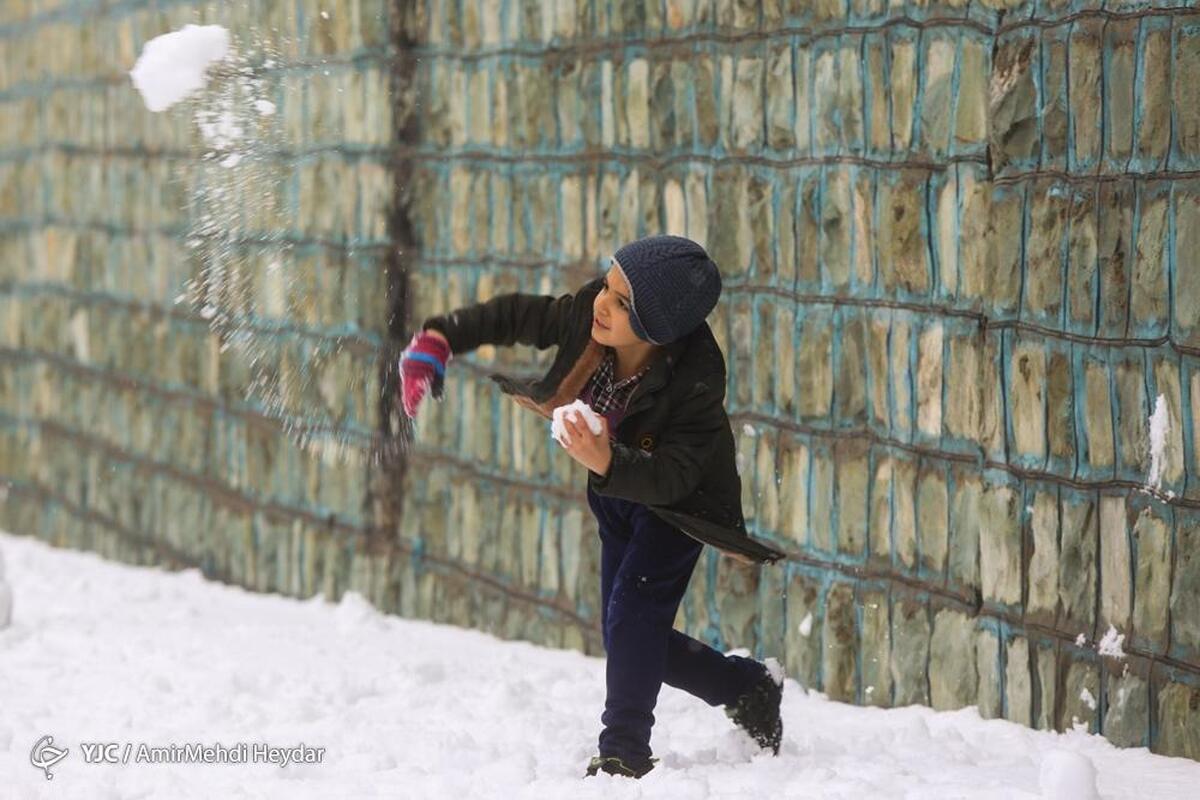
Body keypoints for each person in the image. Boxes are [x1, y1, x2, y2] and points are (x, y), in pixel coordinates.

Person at [400, 234, 787, 779]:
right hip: (614, 495)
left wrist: (607, 460)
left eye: (622, 301)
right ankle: (743, 686)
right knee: (626, 632)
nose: (602, 302)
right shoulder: (589, 316)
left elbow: (677, 474)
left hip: (677, 510)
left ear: (659, 325)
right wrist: (442, 337)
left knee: (632, 620)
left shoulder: (696, 382)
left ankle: (623, 748)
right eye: (608, 283)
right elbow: (518, 315)